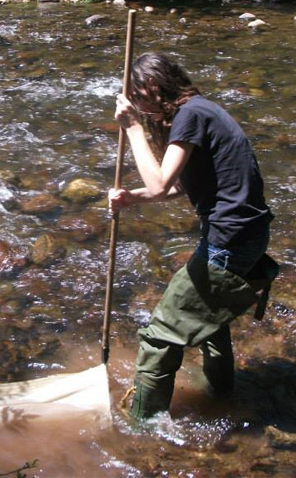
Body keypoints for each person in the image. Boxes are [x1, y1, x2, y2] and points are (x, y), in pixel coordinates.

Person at [109, 52, 276, 420]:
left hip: (229, 238)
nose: (137, 105)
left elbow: (159, 181)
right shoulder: (200, 111)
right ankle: (223, 396)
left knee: (159, 338)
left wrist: (133, 128)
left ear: (153, 86)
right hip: (245, 234)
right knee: (210, 322)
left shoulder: (190, 115)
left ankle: (142, 430)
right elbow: (178, 187)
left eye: (137, 96)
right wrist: (131, 199)